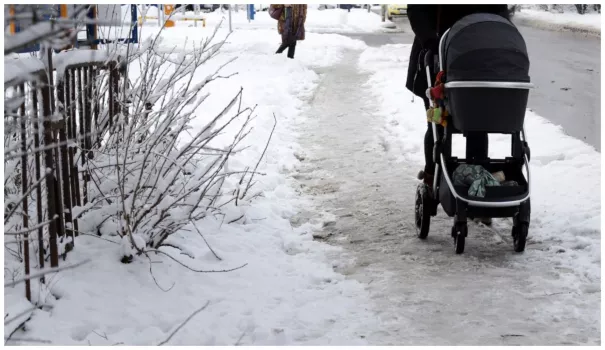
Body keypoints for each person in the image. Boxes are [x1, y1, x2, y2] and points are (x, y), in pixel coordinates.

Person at [406, 5, 510, 225]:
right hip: (437, 58)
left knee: (477, 123)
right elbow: (417, 10)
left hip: (478, 58)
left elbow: (499, 11)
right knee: (437, 124)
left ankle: (477, 183)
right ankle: (433, 176)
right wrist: (430, 41)